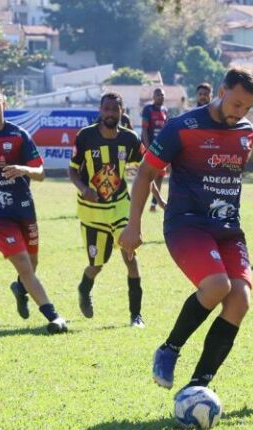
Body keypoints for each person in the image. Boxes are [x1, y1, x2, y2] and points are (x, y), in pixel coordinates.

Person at [119, 68, 253, 397]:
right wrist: (133, 225)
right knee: (216, 286)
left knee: (239, 299)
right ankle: (169, 349)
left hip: (228, 228)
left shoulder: (247, 132)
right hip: (187, 224)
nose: (240, 113)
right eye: (237, 103)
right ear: (222, 91)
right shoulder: (182, 127)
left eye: (247, 108)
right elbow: (145, 174)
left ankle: (198, 386)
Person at [0, 85, 68, 334]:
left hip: (23, 208)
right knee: (22, 262)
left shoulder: (19, 135)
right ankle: (54, 316)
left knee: (32, 263)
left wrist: (23, 169)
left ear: (3, 104)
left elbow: (40, 173)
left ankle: (20, 289)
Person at [69, 92, 146, 327]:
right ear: (101, 110)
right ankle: (84, 287)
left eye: (115, 109)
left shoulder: (130, 139)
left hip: (121, 207)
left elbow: (145, 171)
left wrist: (157, 198)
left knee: (130, 256)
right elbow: (72, 170)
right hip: (92, 212)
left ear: (122, 111)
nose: (111, 113)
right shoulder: (85, 137)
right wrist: (84, 188)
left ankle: (136, 316)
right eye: (107, 109)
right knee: (97, 265)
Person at [140, 87, 168, 213]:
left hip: (162, 148)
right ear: (153, 96)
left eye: (162, 95)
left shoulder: (165, 110)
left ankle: (153, 204)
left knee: (161, 176)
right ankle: (141, 201)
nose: (160, 97)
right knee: (148, 176)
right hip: (151, 147)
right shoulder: (148, 109)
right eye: (157, 95)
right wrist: (147, 147)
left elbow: (166, 130)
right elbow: (144, 129)